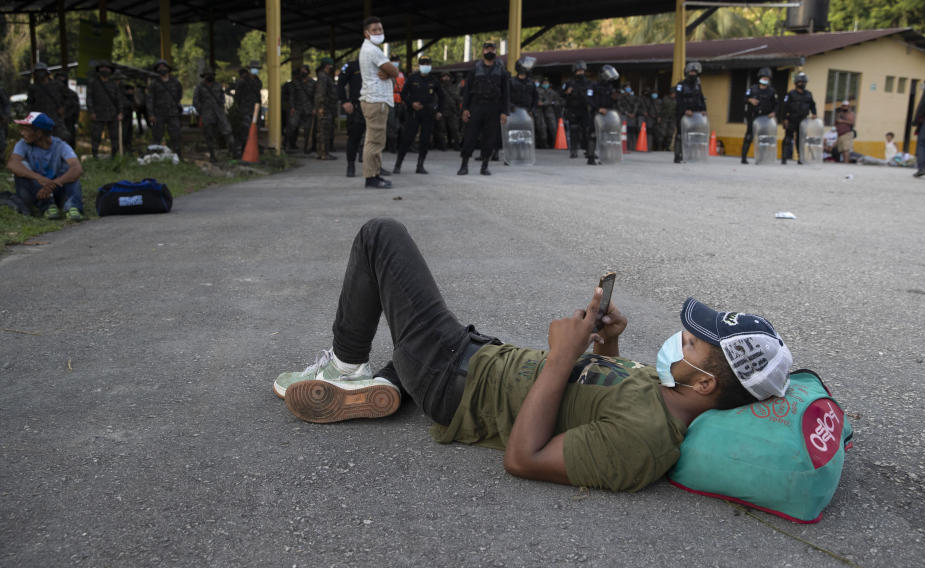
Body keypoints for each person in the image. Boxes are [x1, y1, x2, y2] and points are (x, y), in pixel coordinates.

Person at [272, 217, 793, 493]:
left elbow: (524, 459)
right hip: (472, 359)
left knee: (381, 235)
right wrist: (603, 340)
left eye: (692, 344)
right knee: (404, 327)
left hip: (453, 380)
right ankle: (388, 385)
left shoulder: (647, 443)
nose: (679, 340)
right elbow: (604, 389)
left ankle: (345, 369)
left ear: (705, 384)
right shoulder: (669, 393)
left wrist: (561, 356)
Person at [6, 112, 84, 220]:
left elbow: (77, 168)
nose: (21, 133)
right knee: (21, 166)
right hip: (36, 191)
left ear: (39, 133)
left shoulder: (61, 145)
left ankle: (72, 207)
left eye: (25, 130)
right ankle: (47, 206)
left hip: (56, 189)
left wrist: (54, 183)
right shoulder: (23, 144)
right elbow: (12, 163)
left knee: (70, 170)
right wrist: (39, 178)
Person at [358, 16, 400, 189]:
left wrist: (389, 73)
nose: (379, 32)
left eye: (380, 29)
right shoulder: (372, 50)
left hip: (375, 99)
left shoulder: (371, 49)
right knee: (374, 141)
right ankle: (371, 177)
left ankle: (375, 173)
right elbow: (395, 70)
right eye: (374, 30)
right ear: (367, 33)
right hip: (376, 100)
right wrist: (391, 72)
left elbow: (390, 71)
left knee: (375, 140)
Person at [459, 42, 509, 176]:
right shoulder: (475, 69)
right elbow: (467, 91)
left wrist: (505, 112)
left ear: (496, 52)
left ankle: (485, 166)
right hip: (476, 106)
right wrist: (465, 109)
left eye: (492, 49)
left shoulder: (501, 71)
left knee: (490, 138)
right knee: (470, 137)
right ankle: (464, 165)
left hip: (493, 107)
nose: (490, 51)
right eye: (487, 49)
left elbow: (506, 93)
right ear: (483, 51)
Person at [396, 56, 443, 174]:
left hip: (428, 113)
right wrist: (411, 103)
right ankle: (398, 164)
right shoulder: (412, 78)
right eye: (423, 63)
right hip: (414, 113)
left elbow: (442, 96)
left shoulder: (434, 80)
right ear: (419, 65)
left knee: (425, 140)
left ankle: (420, 165)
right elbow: (403, 94)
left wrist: (439, 110)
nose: (426, 65)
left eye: (427, 63)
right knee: (407, 139)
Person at [193, 69, 234, 161]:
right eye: (207, 75)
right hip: (207, 114)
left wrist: (221, 105)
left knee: (227, 131)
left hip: (219, 112)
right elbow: (195, 101)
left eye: (211, 74)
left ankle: (232, 151)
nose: (209, 76)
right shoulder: (200, 87)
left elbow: (222, 98)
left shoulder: (218, 85)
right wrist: (202, 110)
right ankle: (212, 155)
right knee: (209, 135)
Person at [741, 67, 778, 165]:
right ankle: (743, 158)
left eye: (767, 78)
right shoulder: (753, 89)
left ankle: (762, 158)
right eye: (763, 77)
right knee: (749, 136)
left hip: (765, 119)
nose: (765, 79)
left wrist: (774, 112)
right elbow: (744, 98)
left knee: (764, 138)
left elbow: (776, 104)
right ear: (760, 78)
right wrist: (750, 100)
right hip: (753, 116)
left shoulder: (771, 91)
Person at [146, 59, 184, 156]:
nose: (162, 69)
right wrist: (151, 114)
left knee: (176, 135)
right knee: (157, 136)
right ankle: (155, 156)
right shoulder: (154, 83)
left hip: (173, 113)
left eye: (164, 67)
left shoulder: (175, 82)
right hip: (159, 114)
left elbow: (179, 94)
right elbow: (150, 100)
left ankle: (178, 156)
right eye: (159, 67)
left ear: (168, 69)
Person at [87, 61, 124, 159]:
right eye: (102, 68)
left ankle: (114, 155)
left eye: (107, 68)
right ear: (98, 70)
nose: (104, 70)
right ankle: (95, 155)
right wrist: (91, 111)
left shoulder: (113, 84)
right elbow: (89, 97)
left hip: (112, 114)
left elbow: (119, 99)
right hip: (98, 114)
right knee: (96, 136)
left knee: (114, 136)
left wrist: (120, 112)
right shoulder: (93, 82)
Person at [780, 71, 817, 165]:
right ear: (796, 82)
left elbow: (812, 105)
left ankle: (800, 158)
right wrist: (784, 119)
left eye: (804, 82)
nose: (803, 84)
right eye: (801, 82)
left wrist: (814, 113)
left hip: (803, 120)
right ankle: (784, 158)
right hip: (791, 118)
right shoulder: (791, 94)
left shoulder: (808, 94)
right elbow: (785, 107)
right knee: (788, 138)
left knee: (801, 139)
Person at [674, 61, 707, 164]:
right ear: (687, 73)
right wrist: (685, 110)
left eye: (695, 72)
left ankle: (691, 155)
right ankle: (678, 156)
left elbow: (701, 98)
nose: (693, 74)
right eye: (691, 72)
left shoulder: (697, 86)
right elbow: (678, 99)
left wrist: (704, 110)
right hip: (683, 114)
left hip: (695, 115)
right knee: (680, 134)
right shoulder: (681, 85)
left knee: (694, 135)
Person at [562, 61, 595, 162]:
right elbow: (561, 94)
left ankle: (588, 151)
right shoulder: (569, 83)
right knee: (574, 130)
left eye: (582, 71)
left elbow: (592, 95)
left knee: (587, 131)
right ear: (575, 71)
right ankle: (573, 150)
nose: (580, 73)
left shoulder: (589, 83)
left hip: (584, 109)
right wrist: (567, 93)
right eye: (578, 71)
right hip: (573, 109)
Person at [337, 59, 365, 178]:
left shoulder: (377, 64)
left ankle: (376, 166)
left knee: (375, 139)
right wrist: (344, 101)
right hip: (356, 106)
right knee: (354, 137)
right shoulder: (352, 65)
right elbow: (340, 84)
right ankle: (351, 165)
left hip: (373, 105)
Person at [232, 61, 263, 155]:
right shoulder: (243, 81)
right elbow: (237, 96)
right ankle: (243, 151)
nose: (255, 71)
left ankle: (252, 150)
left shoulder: (258, 81)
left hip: (256, 109)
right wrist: (239, 108)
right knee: (245, 130)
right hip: (245, 109)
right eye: (254, 68)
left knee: (255, 130)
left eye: (256, 69)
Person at [313, 57, 339, 161]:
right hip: (325, 107)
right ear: (327, 66)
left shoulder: (323, 76)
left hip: (326, 107)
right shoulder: (323, 77)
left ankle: (322, 152)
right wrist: (320, 106)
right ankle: (324, 153)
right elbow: (321, 93)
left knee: (323, 130)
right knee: (324, 131)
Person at [434, 71, 462, 151]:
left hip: (452, 111)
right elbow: (435, 99)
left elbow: (457, 98)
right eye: (444, 76)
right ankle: (442, 145)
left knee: (454, 129)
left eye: (447, 76)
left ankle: (456, 145)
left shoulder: (453, 87)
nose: (446, 78)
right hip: (441, 110)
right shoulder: (438, 87)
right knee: (441, 129)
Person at [54, 70, 80, 148]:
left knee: (69, 143)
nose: (61, 80)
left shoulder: (72, 94)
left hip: (69, 122)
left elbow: (76, 109)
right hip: (55, 122)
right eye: (59, 78)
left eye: (62, 78)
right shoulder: (52, 95)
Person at [536, 77, 560, 149]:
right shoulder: (537, 91)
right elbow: (537, 102)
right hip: (540, 112)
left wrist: (549, 103)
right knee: (542, 128)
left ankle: (555, 144)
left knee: (553, 128)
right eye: (544, 83)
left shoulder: (552, 92)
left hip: (550, 111)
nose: (546, 84)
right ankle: (544, 145)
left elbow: (558, 102)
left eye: (547, 83)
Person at [618, 84, 640, 149]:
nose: (628, 89)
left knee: (631, 131)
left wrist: (633, 113)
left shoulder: (633, 97)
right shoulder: (621, 96)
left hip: (632, 116)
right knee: (623, 130)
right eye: (627, 88)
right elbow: (619, 106)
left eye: (629, 88)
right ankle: (623, 146)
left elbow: (636, 105)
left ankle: (631, 146)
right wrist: (627, 113)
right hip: (624, 115)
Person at [1, 82, 12, 157]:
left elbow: (7, 103)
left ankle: (2, 158)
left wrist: (6, 115)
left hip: (1, 120)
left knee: (1, 140)